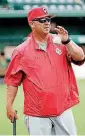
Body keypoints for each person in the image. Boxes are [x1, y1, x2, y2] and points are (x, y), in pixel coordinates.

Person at [4, 6, 85, 135]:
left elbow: (80, 56)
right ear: (32, 24)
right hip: (37, 114)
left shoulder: (60, 42)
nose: (47, 22)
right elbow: (12, 81)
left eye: (48, 19)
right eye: (41, 20)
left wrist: (67, 41)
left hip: (62, 110)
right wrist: (9, 106)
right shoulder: (21, 51)